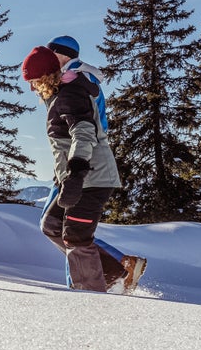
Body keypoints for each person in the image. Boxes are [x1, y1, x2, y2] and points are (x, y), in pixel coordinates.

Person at [21, 44, 143, 293]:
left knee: (76, 236)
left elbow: (84, 133)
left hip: (91, 176)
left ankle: (90, 298)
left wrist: (76, 173)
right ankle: (116, 274)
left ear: (46, 76)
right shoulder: (60, 94)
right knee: (52, 225)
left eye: (34, 81)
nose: (32, 87)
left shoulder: (69, 94)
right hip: (78, 176)